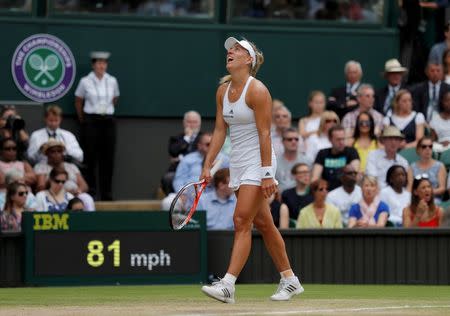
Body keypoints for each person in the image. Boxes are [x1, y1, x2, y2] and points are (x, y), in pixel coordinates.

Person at [200, 37, 303, 304]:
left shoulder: (258, 91)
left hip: (260, 162)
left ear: (249, 60)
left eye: (237, 50)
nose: (230, 52)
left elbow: (265, 133)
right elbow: (221, 130)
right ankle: (290, 280)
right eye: (230, 50)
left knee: (241, 220)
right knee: (264, 224)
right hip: (238, 163)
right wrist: (207, 164)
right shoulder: (222, 91)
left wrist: (268, 172)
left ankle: (228, 285)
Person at [74, 51, 120, 201]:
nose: (101, 66)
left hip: (108, 120)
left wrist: (106, 112)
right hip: (91, 121)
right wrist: (84, 120)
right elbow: (78, 100)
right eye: (98, 63)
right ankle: (91, 192)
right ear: (93, 65)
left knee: (108, 158)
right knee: (90, 157)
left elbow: (115, 98)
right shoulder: (85, 81)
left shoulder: (112, 80)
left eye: (104, 63)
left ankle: (107, 193)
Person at [162, 110, 203, 194]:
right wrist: (187, 137)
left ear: (199, 123)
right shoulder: (176, 138)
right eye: (189, 122)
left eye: (194, 122)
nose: (191, 125)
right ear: (184, 123)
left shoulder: (204, 138)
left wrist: (180, 157)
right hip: (177, 170)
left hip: (197, 169)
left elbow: (202, 152)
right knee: (168, 178)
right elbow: (173, 151)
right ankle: (174, 200)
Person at [311, 125, 360, 191]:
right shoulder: (322, 153)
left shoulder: (351, 152)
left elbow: (354, 175)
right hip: (327, 191)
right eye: (338, 139)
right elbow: (315, 178)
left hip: (346, 190)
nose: (341, 142)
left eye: (343, 139)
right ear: (330, 139)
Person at [275, 127, 311, 193]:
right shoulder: (274, 162)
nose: (293, 141)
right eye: (289, 139)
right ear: (282, 141)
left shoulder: (307, 161)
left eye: (296, 139)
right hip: (280, 198)